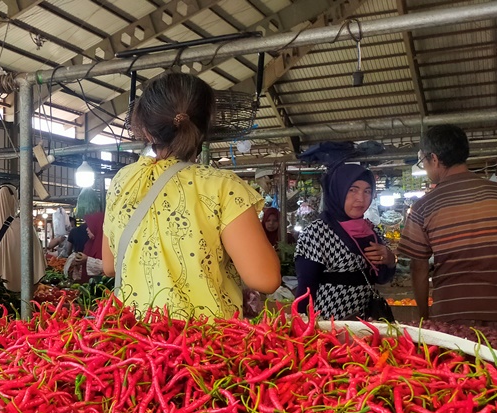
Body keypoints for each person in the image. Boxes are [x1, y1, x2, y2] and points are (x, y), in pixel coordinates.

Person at [102, 72, 280, 318]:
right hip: (205, 347)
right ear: (206, 127)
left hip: (137, 343)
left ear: (146, 129)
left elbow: (109, 267)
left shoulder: (122, 181)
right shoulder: (222, 187)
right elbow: (265, 280)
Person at [400, 125, 497, 328]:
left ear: (434, 159)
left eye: (424, 163)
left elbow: (418, 267)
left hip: (452, 317)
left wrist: (424, 316)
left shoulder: (423, 207)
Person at [294, 163, 396, 320]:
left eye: (367, 191)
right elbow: (304, 290)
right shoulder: (316, 233)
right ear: (338, 192)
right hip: (330, 326)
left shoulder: (371, 231)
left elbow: (381, 279)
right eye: (353, 190)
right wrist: (301, 326)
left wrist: (389, 259)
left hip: (367, 323)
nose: (361, 198)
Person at [69, 212, 106, 283]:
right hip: (87, 285)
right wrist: (77, 263)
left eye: (90, 226)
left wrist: (87, 260)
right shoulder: (89, 244)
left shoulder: (107, 246)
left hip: (102, 287)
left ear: (97, 226)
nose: (87, 229)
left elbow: (109, 268)